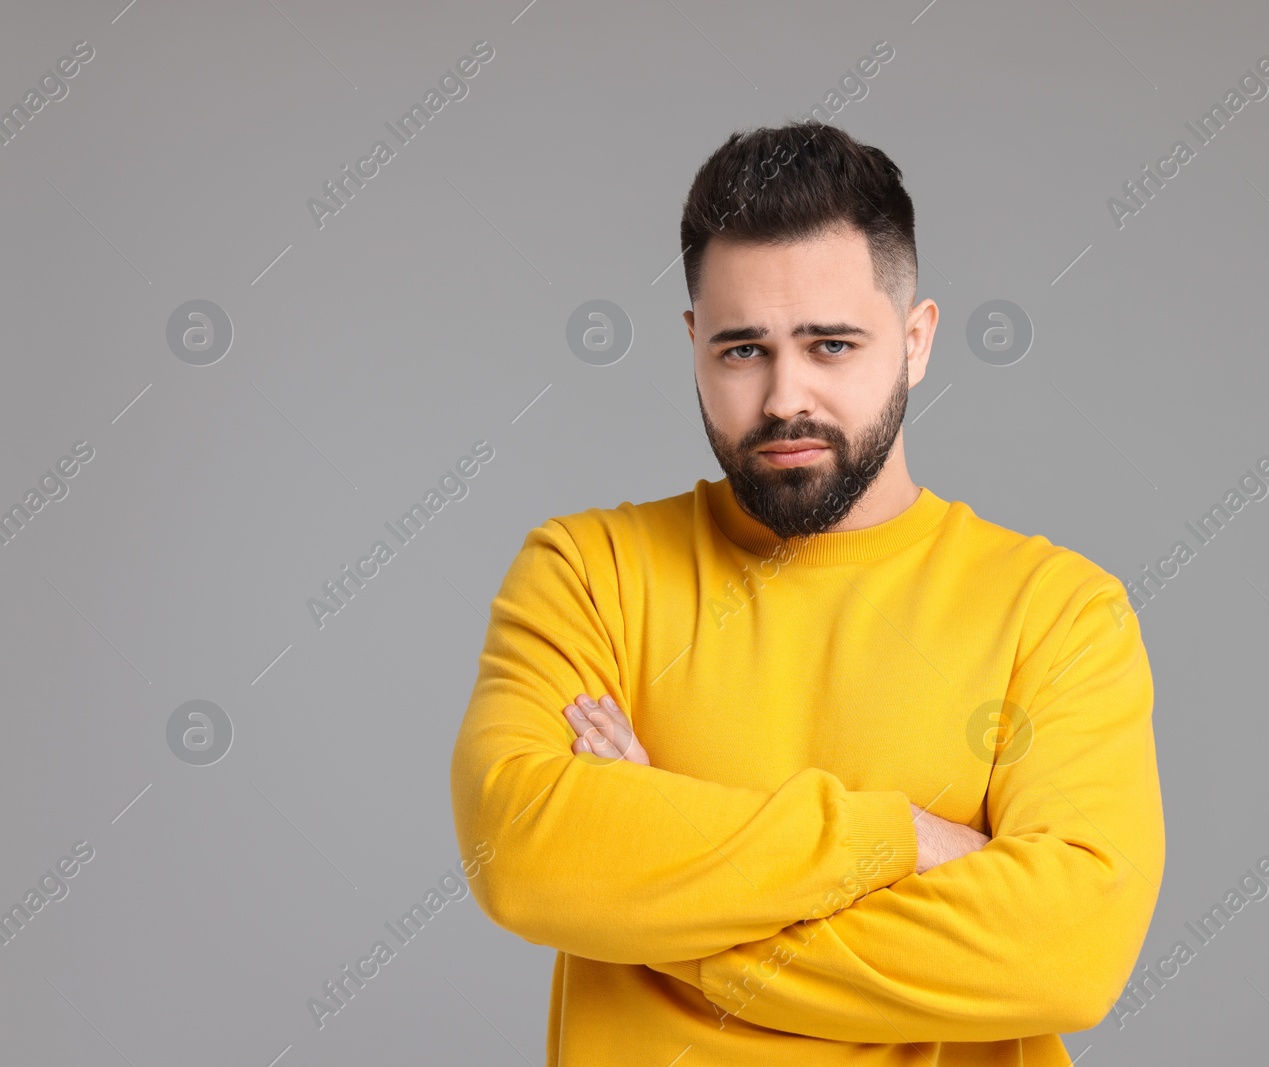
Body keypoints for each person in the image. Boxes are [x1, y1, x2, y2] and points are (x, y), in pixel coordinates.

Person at [449, 120, 1164, 1066]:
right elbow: (526, 852)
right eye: (744, 350)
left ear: (915, 341)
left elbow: (1069, 953)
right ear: (694, 341)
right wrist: (901, 835)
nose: (786, 396)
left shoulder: (1058, 611)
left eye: (831, 345)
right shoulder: (591, 572)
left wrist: (662, 900)